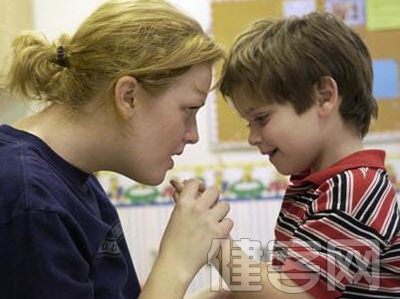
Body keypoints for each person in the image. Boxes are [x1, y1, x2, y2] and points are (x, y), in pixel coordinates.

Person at [0, 0, 234, 298]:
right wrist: (177, 261)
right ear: (128, 97)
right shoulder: (28, 199)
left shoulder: (73, 180)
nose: (193, 135)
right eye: (188, 109)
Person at [214, 12, 400, 298]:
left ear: (323, 97)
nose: (253, 137)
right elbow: (289, 281)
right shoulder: (317, 184)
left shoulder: (354, 189)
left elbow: (293, 295)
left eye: (261, 118)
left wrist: (215, 243)